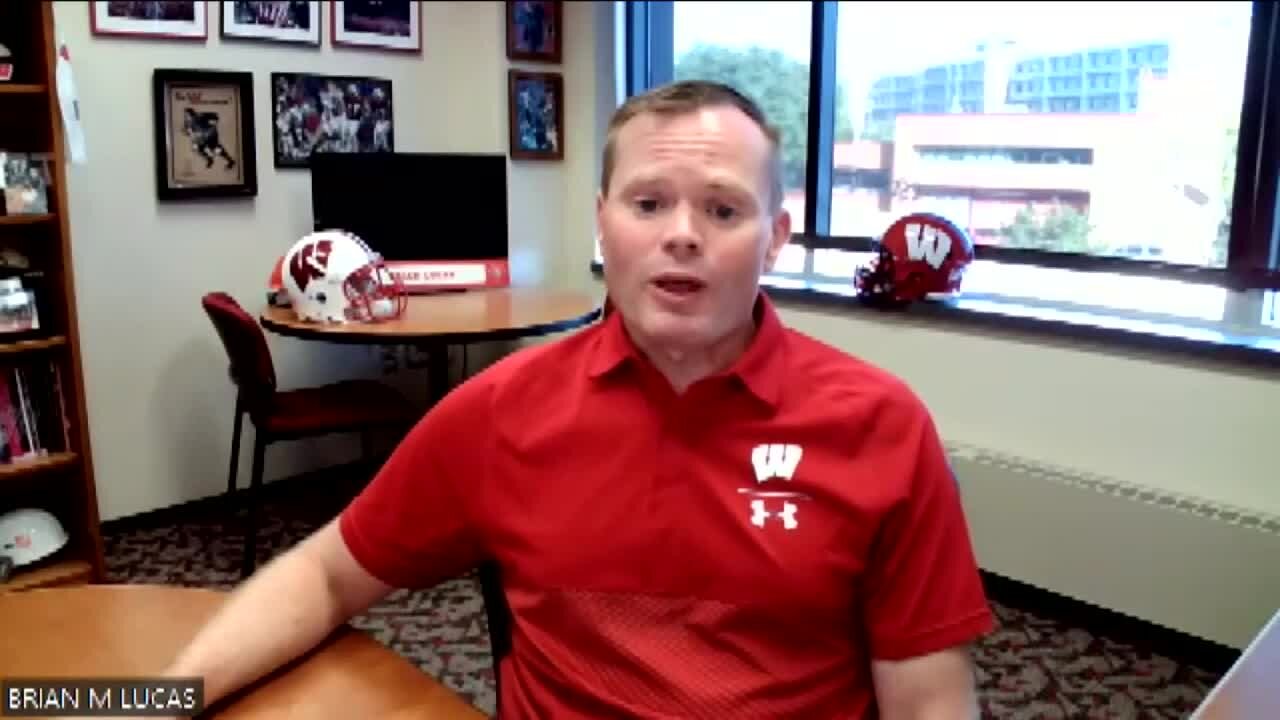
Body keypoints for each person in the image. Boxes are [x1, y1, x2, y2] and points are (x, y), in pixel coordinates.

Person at [158, 80, 994, 718]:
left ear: (774, 237)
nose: (682, 234)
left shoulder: (881, 428)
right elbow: (327, 574)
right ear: (603, 225)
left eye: (723, 208)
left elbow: (928, 701)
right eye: (648, 203)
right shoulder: (501, 412)